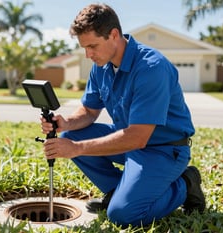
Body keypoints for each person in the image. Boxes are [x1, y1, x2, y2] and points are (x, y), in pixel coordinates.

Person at [40, 3, 205, 227]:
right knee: (71, 133)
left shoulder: (151, 68)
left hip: (163, 149)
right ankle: (118, 192)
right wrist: (65, 122)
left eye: (92, 46)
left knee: (123, 215)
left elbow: (138, 137)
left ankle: (186, 184)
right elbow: (89, 111)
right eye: (84, 48)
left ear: (114, 35)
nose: (88, 54)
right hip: (130, 143)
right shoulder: (101, 65)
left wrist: (76, 149)